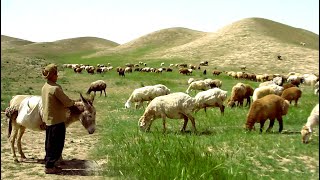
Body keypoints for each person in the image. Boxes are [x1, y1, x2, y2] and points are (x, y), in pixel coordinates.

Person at [41, 63, 78, 174]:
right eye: (56, 73)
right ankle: (49, 167)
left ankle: (50, 163)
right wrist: (74, 103)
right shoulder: (55, 88)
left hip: (48, 120)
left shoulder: (45, 87)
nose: (57, 75)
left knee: (49, 144)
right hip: (57, 120)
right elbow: (66, 102)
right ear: (52, 75)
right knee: (57, 144)